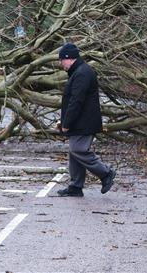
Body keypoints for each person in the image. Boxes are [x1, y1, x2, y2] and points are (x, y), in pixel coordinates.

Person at [55, 43, 116, 197]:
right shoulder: (79, 71)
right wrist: (63, 121)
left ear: (69, 59)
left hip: (84, 122)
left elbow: (77, 101)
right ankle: (76, 186)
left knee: (78, 150)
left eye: (61, 60)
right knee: (74, 152)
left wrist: (67, 123)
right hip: (80, 121)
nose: (60, 63)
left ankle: (105, 173)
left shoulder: (82, 73)